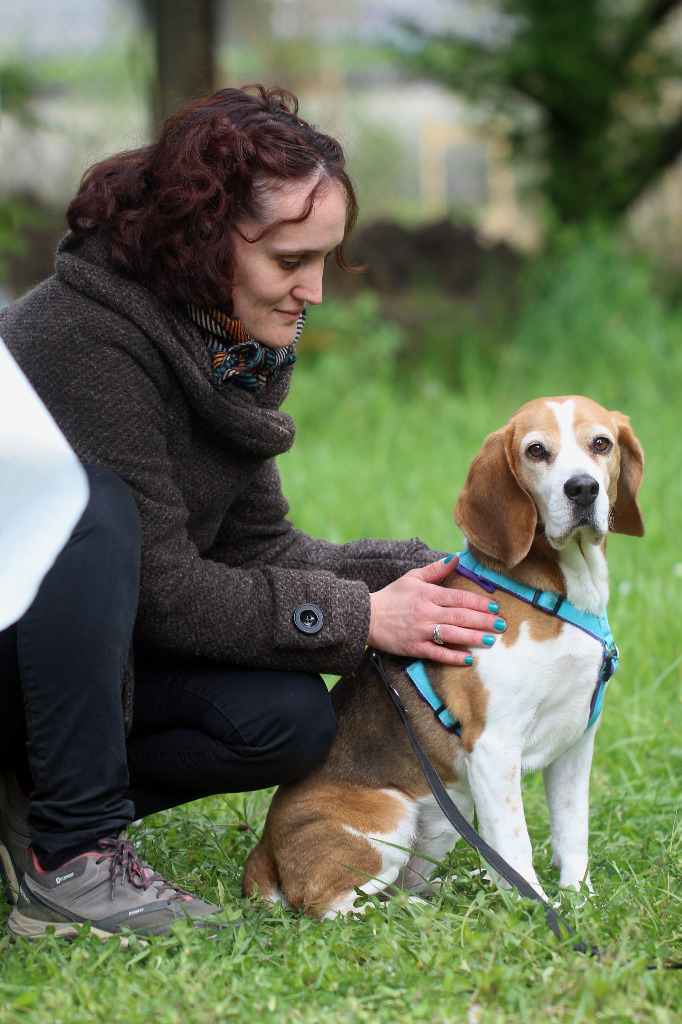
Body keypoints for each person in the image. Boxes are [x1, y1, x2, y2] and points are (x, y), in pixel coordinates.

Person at [0, 85, 505, 940]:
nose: (312, 290)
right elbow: (161, 587)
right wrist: (364, 616)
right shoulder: (85, 339)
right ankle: (71, 857)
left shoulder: (228, 336)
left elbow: (253, 542)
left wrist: (402, 574)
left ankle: (23, 807)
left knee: (287, 722)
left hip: (66, 670)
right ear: (203, 243)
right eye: (288, 260)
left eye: (324, 261)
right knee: (100, 513)